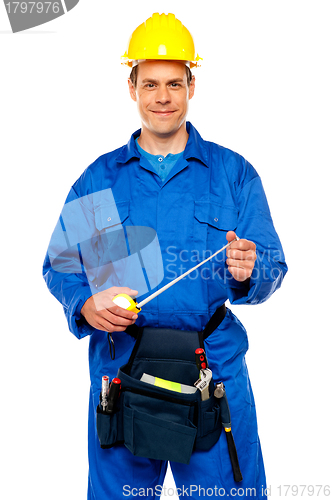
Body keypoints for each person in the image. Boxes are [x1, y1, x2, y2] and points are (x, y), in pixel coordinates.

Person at [43, 13, 287, 500]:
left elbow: (272, 266)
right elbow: (60, 266)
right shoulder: (103, 179)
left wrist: (251, 268)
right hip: (123, 371)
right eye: (150, 83)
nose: (162, 97)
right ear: (131, 86)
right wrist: (85, 306)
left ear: (192, 85)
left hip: (212, 372)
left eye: (174, 83)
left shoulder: (233, 174)